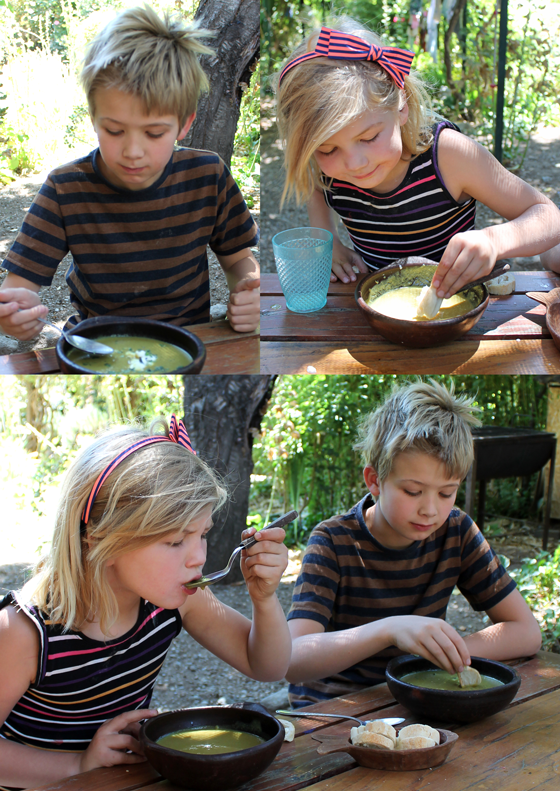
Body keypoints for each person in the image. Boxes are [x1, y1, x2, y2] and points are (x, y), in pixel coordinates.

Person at [0, 416, 290, 788]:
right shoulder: (26, 632)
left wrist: (264, 599)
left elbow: (266, 665)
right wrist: (78, 764)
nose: (198, 557)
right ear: (101, 538)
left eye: (202, 534)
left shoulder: (174, 600)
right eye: (175, 542)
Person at [0, 5, 260, 341]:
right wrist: (14, 314)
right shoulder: (65, 188)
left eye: (154, 133)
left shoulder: (208, 176)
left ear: (184, 124)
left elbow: (240, 260)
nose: (133, 152)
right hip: (96, 344)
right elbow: (18, 288)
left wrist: (248, 294)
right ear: (94, 118)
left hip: (187, 341)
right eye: (114, 130)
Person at [285, 380, 541, 708]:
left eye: (447, 493)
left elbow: (527, 632)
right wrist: (390, 629)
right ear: (375, 480)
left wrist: (445, 651)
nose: (430, 510)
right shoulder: (333, 541)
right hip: (333, 711)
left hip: (416, 703)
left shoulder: (456, 531)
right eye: (413, 491)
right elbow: (292, 661)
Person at [275, 20, 560, 299]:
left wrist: (495, 241)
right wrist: (329, 239)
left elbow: (549, 217)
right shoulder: (325, 167)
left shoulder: (448, 156)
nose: (354, 163)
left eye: (369, 137)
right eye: (328, 149)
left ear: (401, 107)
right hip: (380, 308)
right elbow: (313, 183)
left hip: (456, 303)